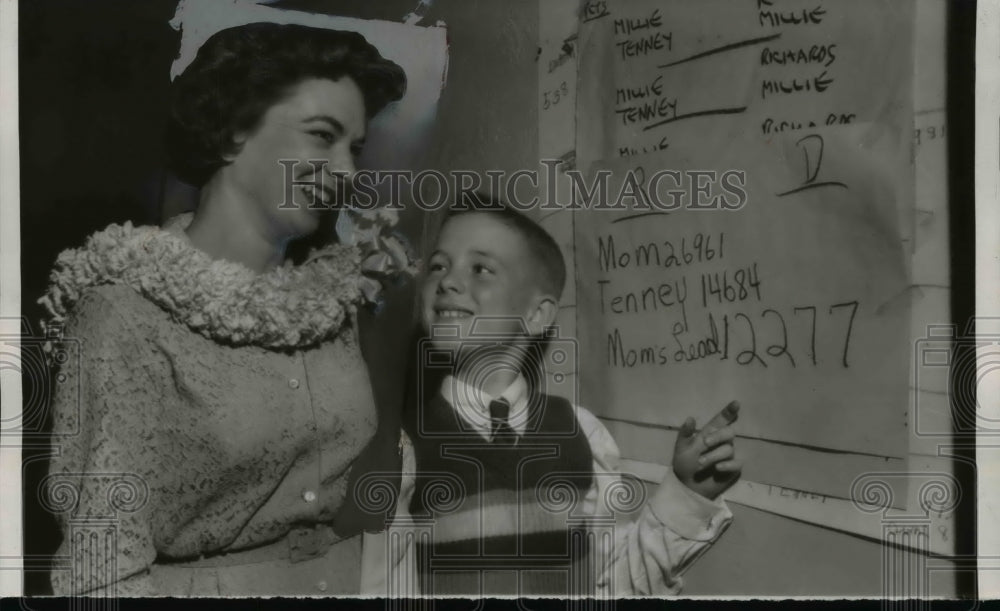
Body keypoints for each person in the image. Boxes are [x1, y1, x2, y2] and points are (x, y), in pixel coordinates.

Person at [39, 23, 411, 596]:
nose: (347, 171)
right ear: (234, 132)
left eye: (354, 148)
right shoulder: (123, 312)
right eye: (321, 136)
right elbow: (102, 569)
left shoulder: (342, 298)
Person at [361, 200, 743, 597]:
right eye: (438, 265)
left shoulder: (582, 434)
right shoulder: (401, 448)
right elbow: (386, 588)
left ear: (537, 315)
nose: (448, 282)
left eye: (480, 269)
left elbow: (615, 585)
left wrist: (687, 494)